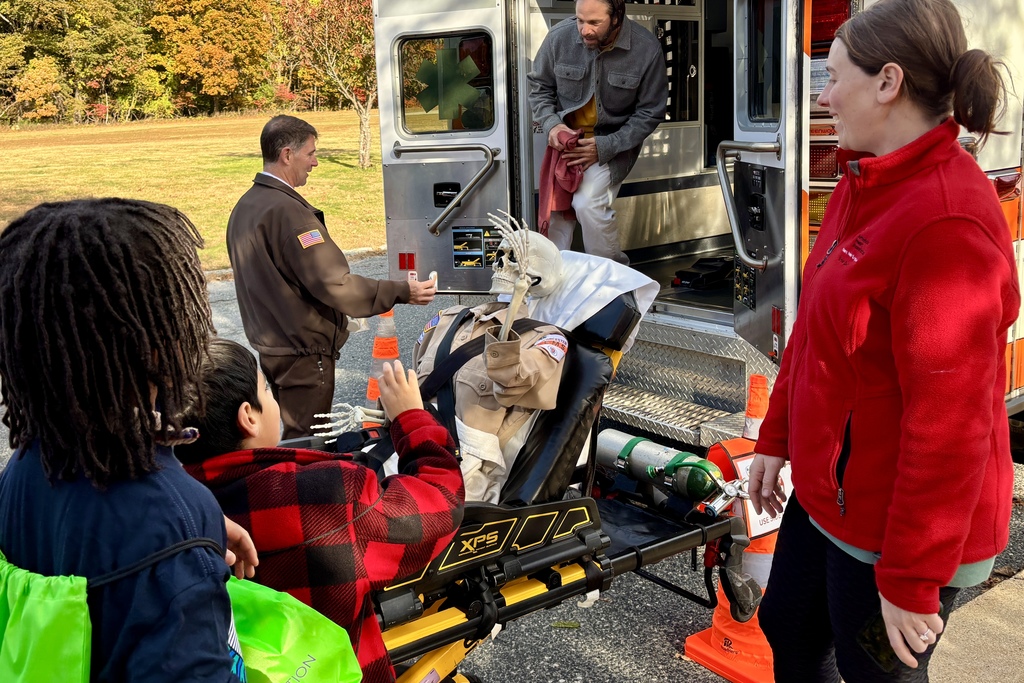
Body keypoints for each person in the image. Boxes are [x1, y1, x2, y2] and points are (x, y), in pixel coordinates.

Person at [746, 1, 1019, 680]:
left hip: (900, 527)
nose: (824, 95)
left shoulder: (945, 222)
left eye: (833, 76)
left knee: (878, 673)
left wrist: (911, 578)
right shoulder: (863, 178)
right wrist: (776, 439)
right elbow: (814, 336)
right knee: (787, 628)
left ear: (887, 82)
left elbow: (949, 425)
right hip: (835, 492)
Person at [0, 198, 258, 682]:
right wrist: (179, 531)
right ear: (159, 342)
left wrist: (185, 529)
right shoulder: (167, 519)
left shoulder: (29, 462)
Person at [176, 338, 465, 683]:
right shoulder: (328, 496)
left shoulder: (161, 511)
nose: (273, 400)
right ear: (248, 418)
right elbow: (440, 505)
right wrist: (412, 419)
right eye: (266, 390)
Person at [227, 114, 438, 440]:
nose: (315, 163)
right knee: (310, 442)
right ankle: (301, 492)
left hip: (272, 346)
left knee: (295, 434)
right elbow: (334, 283)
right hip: (302, 352)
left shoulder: (246, 205)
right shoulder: (289, 213)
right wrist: (402, 291)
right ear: (286, 155)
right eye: (310, 154)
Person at [413, 228, 568, 503]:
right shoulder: (449, 318)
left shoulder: (546, 339)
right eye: (498, 255)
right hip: (408, 441)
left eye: (511, 259)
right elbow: (418, 380)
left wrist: (510, 319)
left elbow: (511, 381)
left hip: (461, 471)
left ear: (535, 278)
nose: (498, 264)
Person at [528, 0, 667, 265]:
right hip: (566, 146)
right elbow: (539, 88)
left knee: (588, 204)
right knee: (556, 214)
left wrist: (606, 146)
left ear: (616, 18)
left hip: (613, 146)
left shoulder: (646, 48)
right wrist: (552, 125)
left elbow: (651, 112)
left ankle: (613, 282)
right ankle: (554, 288)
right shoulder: (559, 38)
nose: (584, 30)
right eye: (580, 20)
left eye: (594, 22)